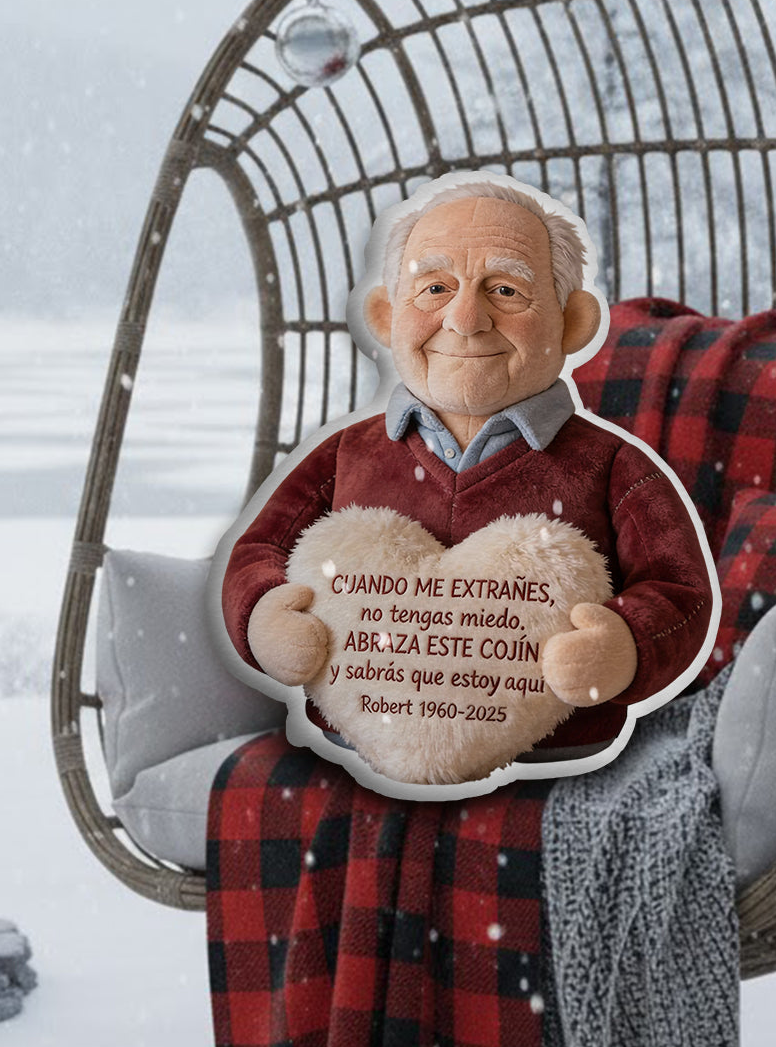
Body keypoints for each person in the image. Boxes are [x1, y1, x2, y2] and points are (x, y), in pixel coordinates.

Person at [219, 172, 714, 766]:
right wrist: (263, 615)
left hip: (559, 765)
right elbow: (259, 552)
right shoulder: (346, 454)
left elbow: (679, 589)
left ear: (572, 322)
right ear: (386, 315)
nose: (465, 318)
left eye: (505, 290)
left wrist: (628, 645)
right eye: (435, 288)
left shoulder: (611, 466)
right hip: (350, 757)